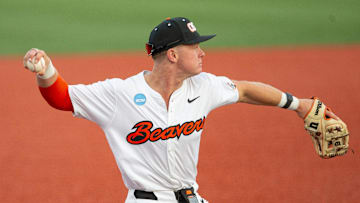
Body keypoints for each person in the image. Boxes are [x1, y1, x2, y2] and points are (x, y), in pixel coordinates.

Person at [23, 17, 338, 203]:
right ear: (172, 54)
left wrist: (299, 105)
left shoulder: (204, 86)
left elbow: (244, 89)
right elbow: (63, 98)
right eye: (194, 46)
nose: (202, 52)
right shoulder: (121, 93)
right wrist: (46, 70)